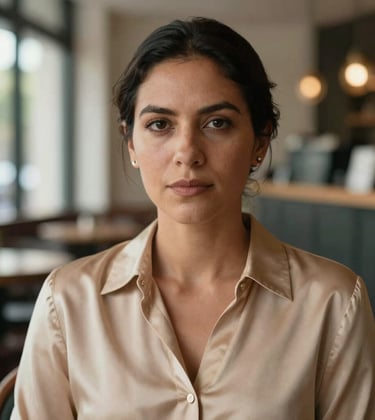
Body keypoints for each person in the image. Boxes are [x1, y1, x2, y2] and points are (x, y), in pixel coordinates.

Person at [11, 17, 374, 419]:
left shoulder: (333, 303)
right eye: (160, 125)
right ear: (131, 143)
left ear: (260, 141)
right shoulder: (68, 301)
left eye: (216, 123)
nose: (188, 151)